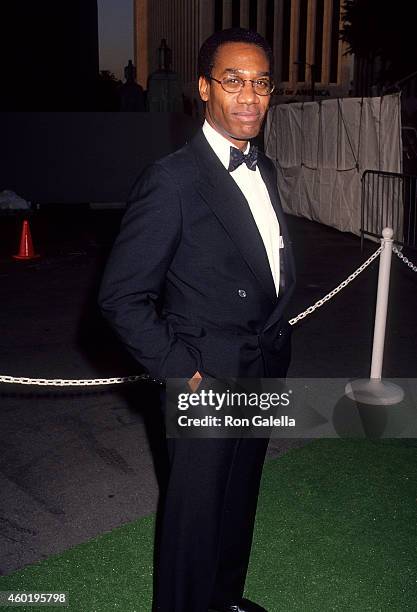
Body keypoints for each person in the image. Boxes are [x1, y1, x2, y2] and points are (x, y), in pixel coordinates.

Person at [99, 28, 296, 612]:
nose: (250, 96)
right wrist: (183, 370)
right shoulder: (173, 180)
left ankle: (225, 599)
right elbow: (121, 296)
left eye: (261, 83)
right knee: (194, 519)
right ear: (205, 89)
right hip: (205, 378)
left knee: (239, 499)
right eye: (234, 81)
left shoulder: (269, 170)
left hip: (261, 367)